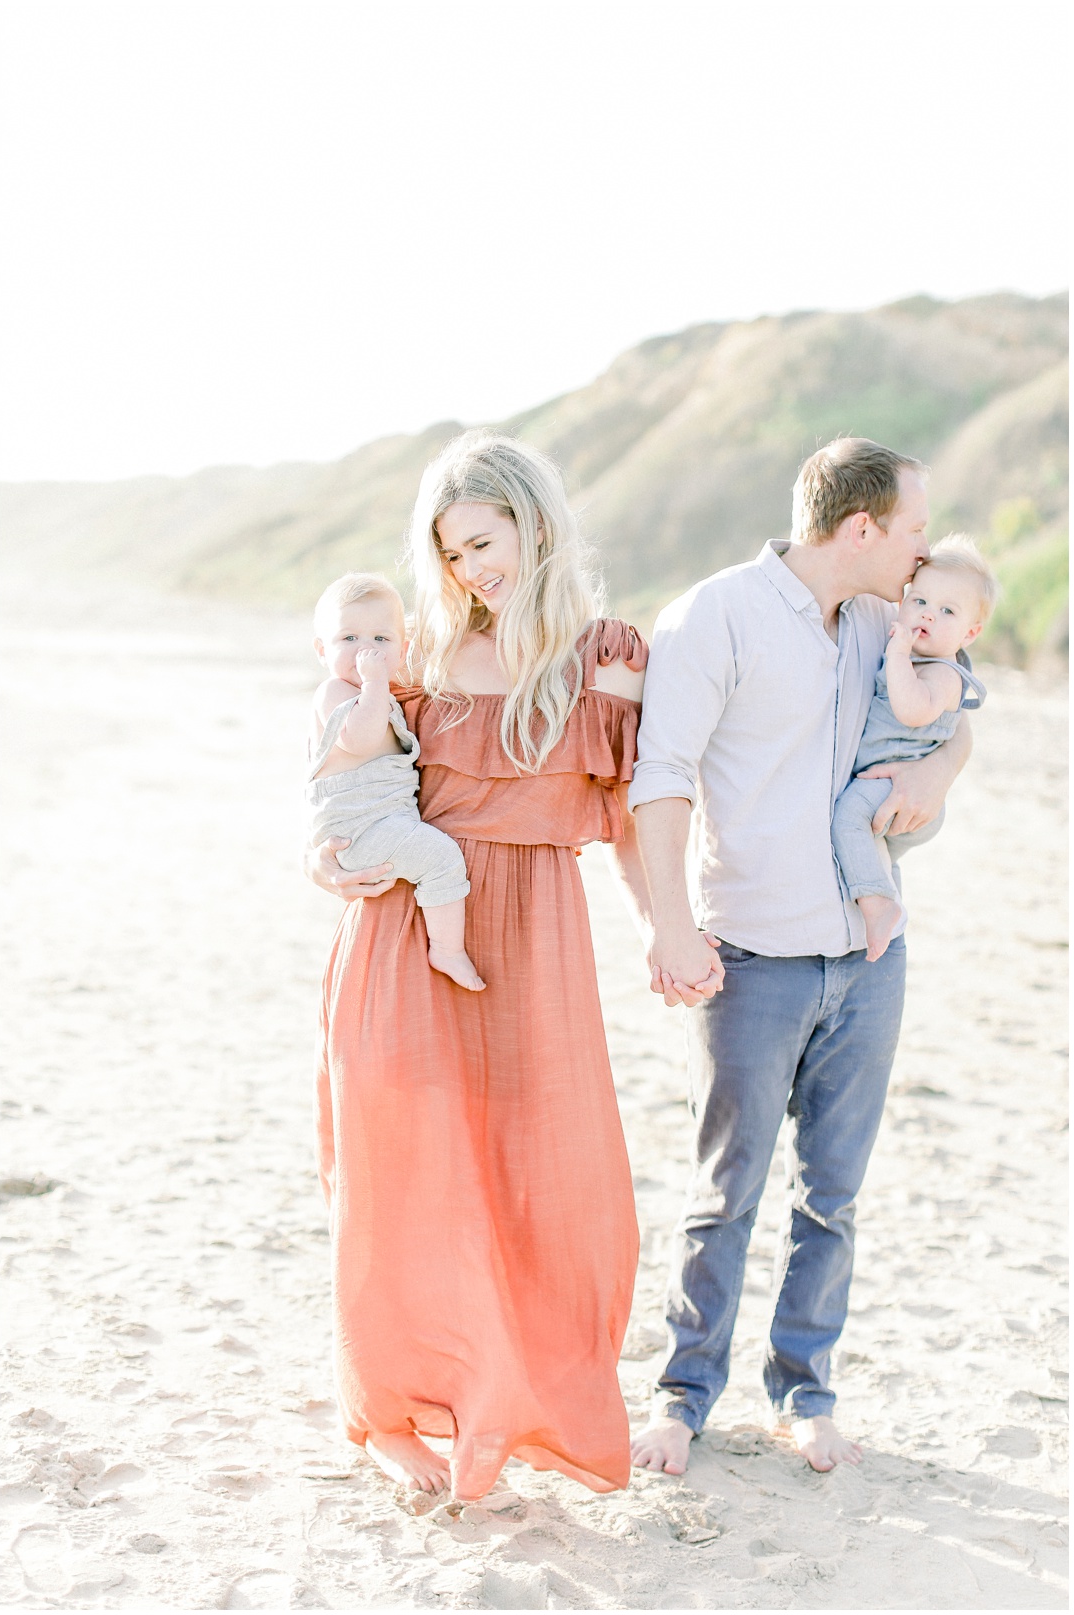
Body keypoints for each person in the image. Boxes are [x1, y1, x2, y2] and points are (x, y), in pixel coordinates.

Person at [306, 430, 650, 1503]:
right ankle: (395, 1408)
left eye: (483, 542)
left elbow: (644, 811)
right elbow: (337, 780)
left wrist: (665, 925)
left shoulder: (606, 656)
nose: (469, 571)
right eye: (451, 553)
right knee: (403, 1181)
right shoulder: (417, 663)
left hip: (538, 945)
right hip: (407, 940)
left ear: (534, 525)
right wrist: (323, 854)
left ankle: (508, 1404)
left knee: (544, 1179)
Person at [627, 437, 973, 1476]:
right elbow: (662, 774)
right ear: (860, 527)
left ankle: (804, 1391)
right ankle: (682, 1397)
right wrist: (669, 924)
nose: (922, 552)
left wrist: (944, 777)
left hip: (868, 954)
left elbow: (960, 708)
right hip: (752, 955)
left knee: (834, 1194)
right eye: (912, 528)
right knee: (722, 1192)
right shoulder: (716, 614)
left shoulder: (888, 620)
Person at [308, 571, 484, 991]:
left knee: (431, 856)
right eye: (348, 639)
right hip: (358, 828)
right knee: (440, 858)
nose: (365, 650)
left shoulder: (377, 693)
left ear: (403, 648)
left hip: (381, 820)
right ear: (321, 649)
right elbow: (359, 737)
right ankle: (447, 949)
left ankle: (445, 943)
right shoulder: (335, 692)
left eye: (380, 641)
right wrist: (373, 684)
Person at [832, 536, 993, 960]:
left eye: (947, 611)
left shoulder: (945, 674)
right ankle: (882, 890)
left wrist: (899, 654)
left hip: (900, 789)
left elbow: (913, 710)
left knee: (848, 817)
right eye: (919, 600)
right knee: (876, 851)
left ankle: (879, 907)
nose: (928, 615)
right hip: (890, 788)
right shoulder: (915, 652)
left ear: (969, 633)